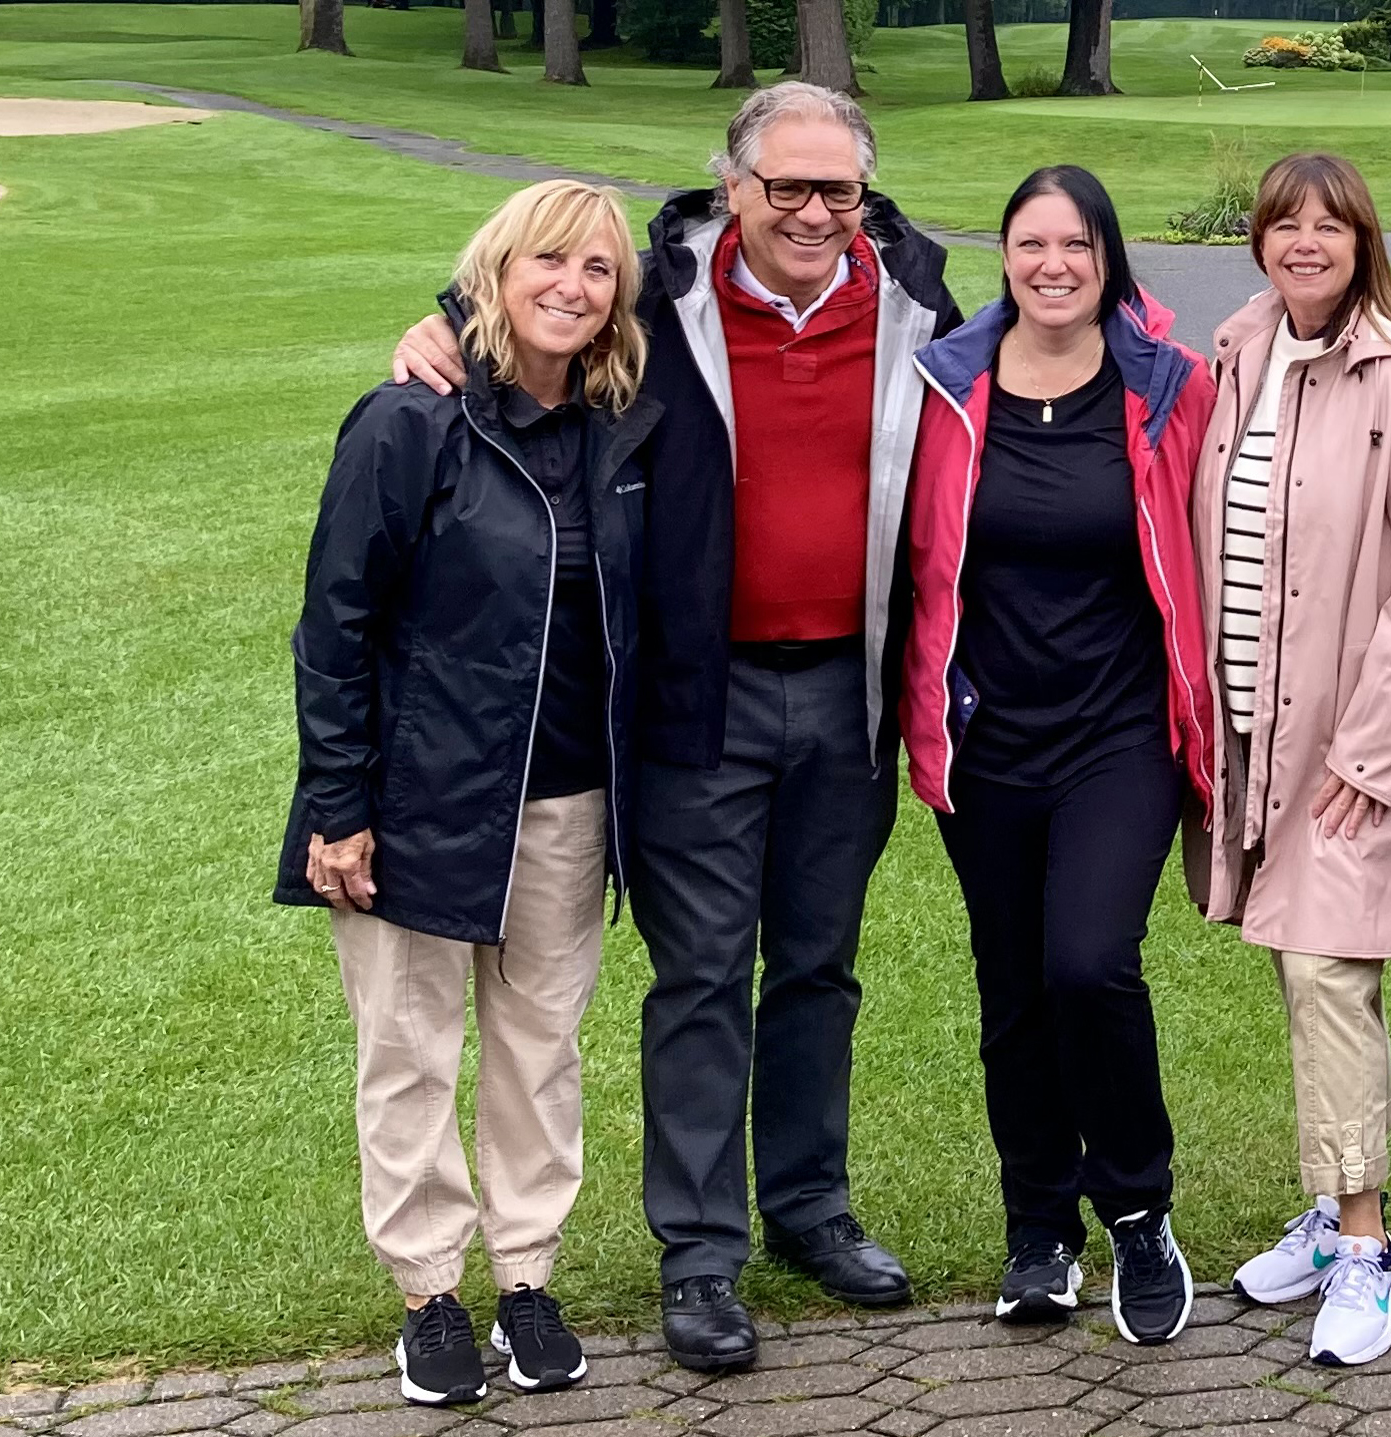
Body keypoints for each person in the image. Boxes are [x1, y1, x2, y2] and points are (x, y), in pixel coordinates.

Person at [392, 83, 965, 1372]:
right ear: (734, 186)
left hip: (848, 689)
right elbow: (539, 310)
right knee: (701, 973)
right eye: (787, 188)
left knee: (818, 966)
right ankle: (701, 1255)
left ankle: (810, 1208)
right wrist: (436, 329)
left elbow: (1074, 327)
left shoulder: (918, 293)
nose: (814, 212)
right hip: (694, 697)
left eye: (839, 190)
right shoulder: (660, 290)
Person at [282, 178, 654, 1407]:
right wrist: (338, 806)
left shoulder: (621, 427)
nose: (571, 287)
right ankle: (428, 1295)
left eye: (597, 269)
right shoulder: (409, 421)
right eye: (545, 262)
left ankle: (527, 1275)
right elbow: (334, 626)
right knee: (408, 1050)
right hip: (415, 801)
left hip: (567, 802)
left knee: (538, 1053)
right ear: (492, 275)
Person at [899, 165, 1217, 1345]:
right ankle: (1037, 1229)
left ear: (1106, 258)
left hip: (1119, 734)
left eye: (1074, 245)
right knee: (1013, 989)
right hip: (985, 739)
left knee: (1088, 963)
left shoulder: (1167, 388)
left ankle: (1136, 1210)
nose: (1052, 265)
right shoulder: (941, 384)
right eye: (1030, 244)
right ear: (1003, 257)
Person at [1195, 151, 1391, 1369]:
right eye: (1282, 223)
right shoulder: (1243, 352)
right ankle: (1326, 1210)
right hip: (1254, 726)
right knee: (1291, 966)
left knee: (1325, 972)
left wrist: (1366, 748)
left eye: (1329, 225)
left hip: (1352, 737)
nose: (1303, 242)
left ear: (1365, 240)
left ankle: (1364, 1244)